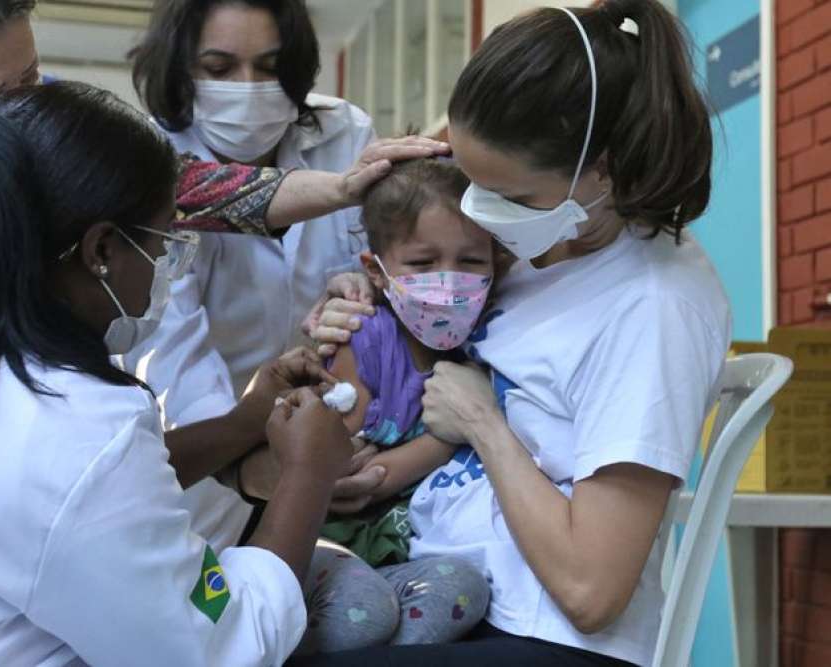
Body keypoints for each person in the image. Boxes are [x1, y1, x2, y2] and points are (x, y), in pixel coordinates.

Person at [0, 82, 357, 666]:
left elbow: (78, 504)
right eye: (165, 242)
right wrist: (310, 475)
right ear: (101, 249)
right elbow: (218, 646)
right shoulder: (69, 429)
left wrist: (243, 423)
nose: (169, 262)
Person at [294, 2, 731, 665]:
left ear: (605, 169)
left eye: (514, 199)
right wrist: (363, 293)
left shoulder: (653, 306)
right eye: (474, 184)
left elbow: (592, 589)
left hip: (542, 631)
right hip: (443, 583)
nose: (486, 221)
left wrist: (482, 423)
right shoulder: (541, 244)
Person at [0, 0, 443, 385]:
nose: (26, 112)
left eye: (32, 78)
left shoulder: (47, 118)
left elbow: (177, 187)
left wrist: (340, 187)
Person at [127, 0, 381, 552]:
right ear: (180, 71)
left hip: (336, 429)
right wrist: (263, 461)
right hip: (211, 455)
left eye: (269, 67)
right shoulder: (148, 161)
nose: (249, 86)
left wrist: (356, 288)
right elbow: (175, 355)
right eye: (219, 69)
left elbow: (368, 267)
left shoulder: (344, 133)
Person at [296, 159, 500, 655]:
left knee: (464, 589)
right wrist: (452, 432)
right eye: (423, 263)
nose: (449, 283)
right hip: (323, 545)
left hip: (402, 556)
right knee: (366, 611)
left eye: (471, 262)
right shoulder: (361, 338)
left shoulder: (489, 341)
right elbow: (356, 481)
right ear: (377, 271)